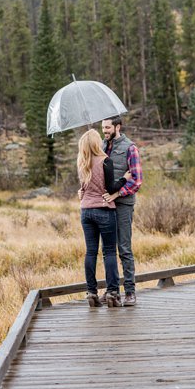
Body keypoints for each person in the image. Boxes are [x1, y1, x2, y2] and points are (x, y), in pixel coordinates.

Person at [77, 127, 120, 309]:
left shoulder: (81, 163)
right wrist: (125, 179)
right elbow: (110, 188)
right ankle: (112, 292)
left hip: (86, 212)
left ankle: (91, 292)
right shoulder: (105, 161)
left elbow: (84, 188)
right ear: (96, 143)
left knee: (91, 252)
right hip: (104, 210)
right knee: (109, 251)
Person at [101, 114, 141, 306]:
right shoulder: (102, 146)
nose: (104, 131)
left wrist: (117, 195)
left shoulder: (130, 148)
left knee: (124, 248)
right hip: (104, 205)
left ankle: (130, 292)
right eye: (103, 128)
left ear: (118, 127)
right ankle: (112, 290)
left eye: (107, 128)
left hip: (123, 205)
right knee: (107, 249)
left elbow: (136, 179)